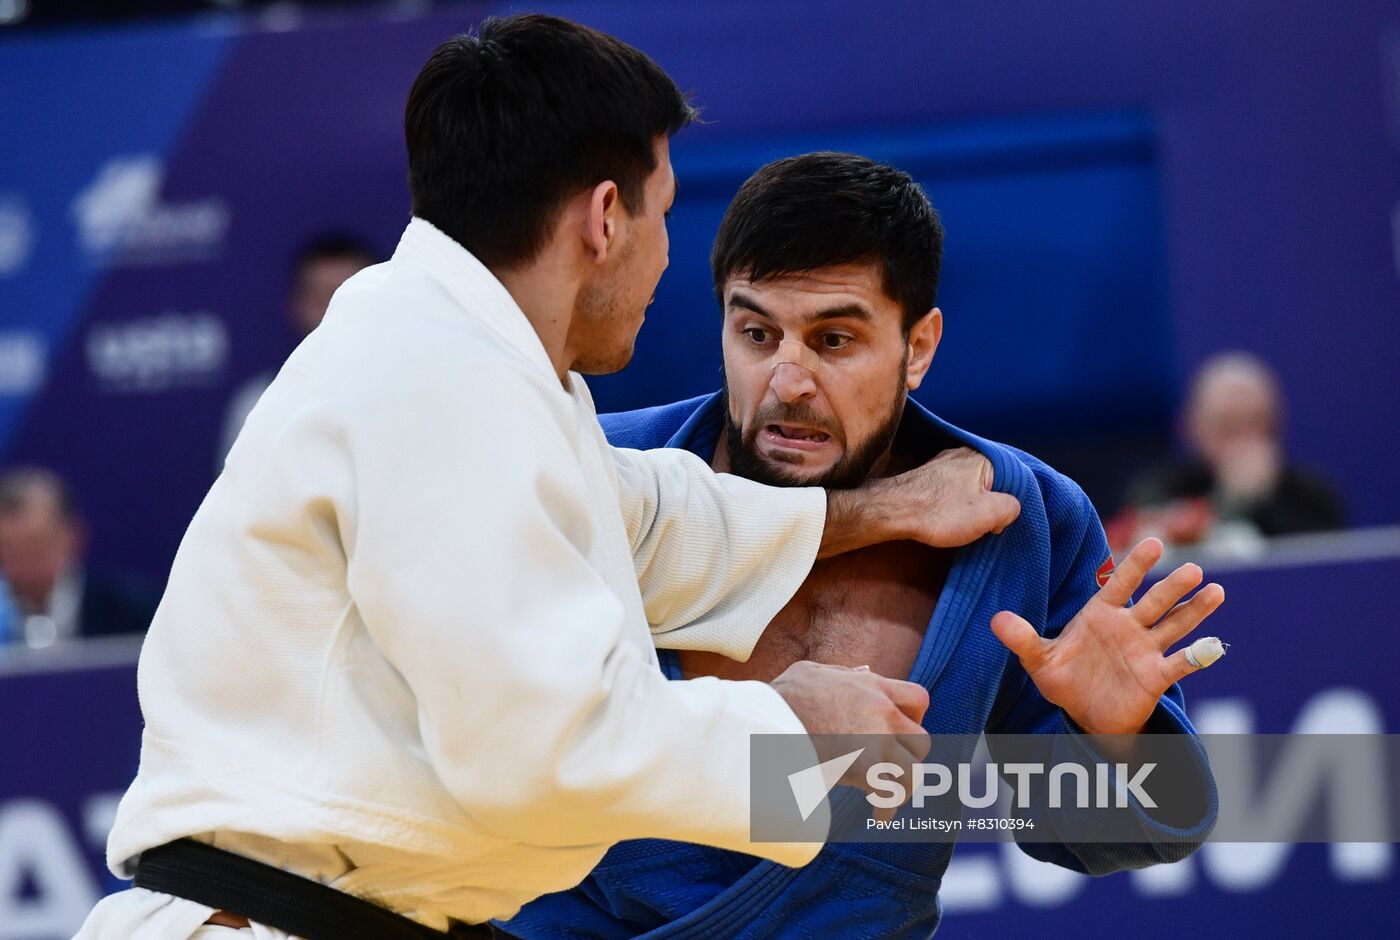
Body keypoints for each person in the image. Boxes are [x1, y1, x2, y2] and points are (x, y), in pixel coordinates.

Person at [76, 18, 1021, 940]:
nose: (663, 258)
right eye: (663, 213)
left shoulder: (473, 358)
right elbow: (542, 751)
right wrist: (791, 726)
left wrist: (876, 512)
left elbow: (644, 521)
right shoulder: (439, 378)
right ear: (605, 218)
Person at [503, 152, 1224, 940]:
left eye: (834, 340)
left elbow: (1103, 828)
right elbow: (490, 742)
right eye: (755, 332)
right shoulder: (598, 470)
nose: (787, 380)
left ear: (918, 347)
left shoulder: (1023, 520)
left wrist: (1113, 737)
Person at [1110, 351, 1344, 551]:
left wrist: (1259, 502)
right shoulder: (1157, 489)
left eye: (1255, 422)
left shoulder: (1311, 497)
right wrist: (1229, 502)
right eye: (1227, 426)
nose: (1242, 440)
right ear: (1191, 427)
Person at [218, 235, 377, 462]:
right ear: (296, 306)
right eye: (322, 299)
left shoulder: (422, 391)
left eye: (352, 297)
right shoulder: (258, 408)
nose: (336, 313)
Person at [0, 466, 155, 647]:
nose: (25, 559)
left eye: (36, 545)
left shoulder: (133, 614)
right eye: (10, 548)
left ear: (73, 536)